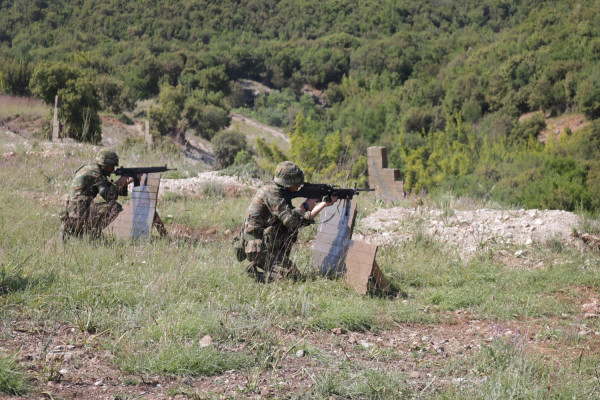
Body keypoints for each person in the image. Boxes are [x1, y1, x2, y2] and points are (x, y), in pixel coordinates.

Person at [242, 161, 338, 282]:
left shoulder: (281, 195)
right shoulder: (271, 192)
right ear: (288, 184)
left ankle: (272, 269)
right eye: (297, 185)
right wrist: (305, 206)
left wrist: (324, 204)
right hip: (258, 247)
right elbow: (290, 221)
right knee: (293, 278)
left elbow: (299, 221)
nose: (299, 188)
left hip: (266, 245)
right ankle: (257, 275)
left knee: (294, 276)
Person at [59, 149, 133, 239]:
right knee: (114, 207)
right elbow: (108, 196)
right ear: (105, 164)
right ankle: (93, 234)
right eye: (111, 166)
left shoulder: (93, 169)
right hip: (78, 212)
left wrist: (124, 183)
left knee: (112, 206)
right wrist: (120, 183)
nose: (113, 169)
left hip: (75, 210)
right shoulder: (95, 172)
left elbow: (116, 193)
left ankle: (82, 230)